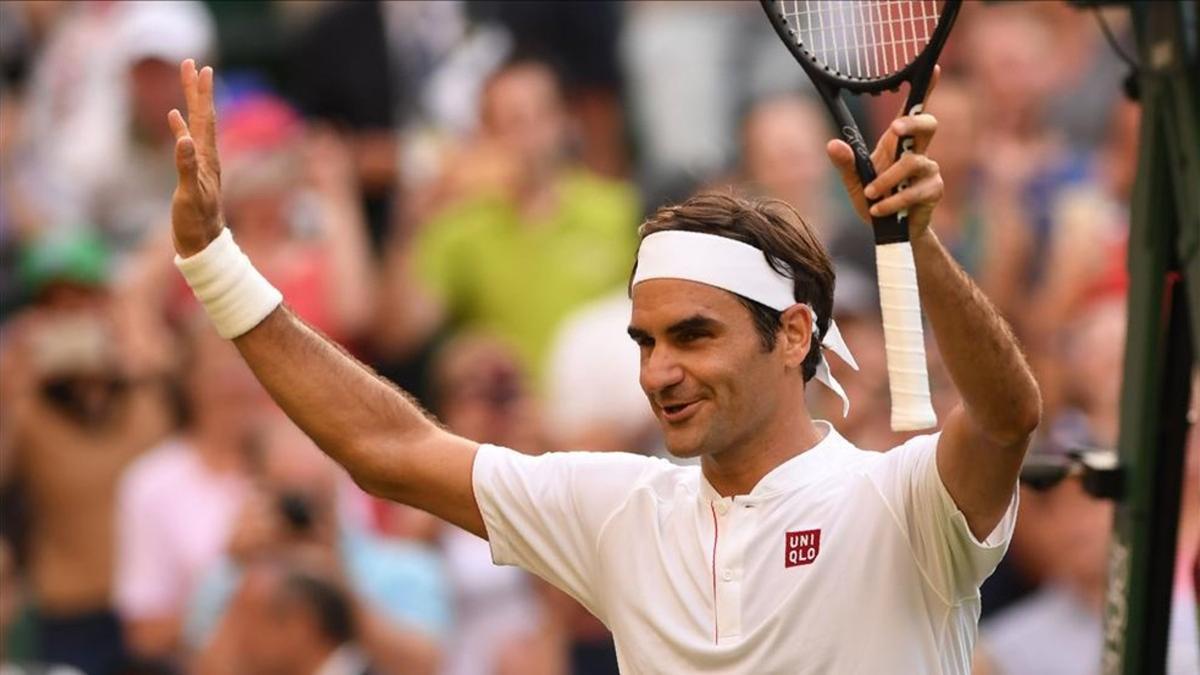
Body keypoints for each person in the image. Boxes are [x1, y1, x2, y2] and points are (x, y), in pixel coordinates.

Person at [166, 59, 1040, 673]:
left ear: (791, 335)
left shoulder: (898, 499)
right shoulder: (622, 509)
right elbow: (385, 446)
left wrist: (918, 247)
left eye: (693, 336)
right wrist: (214, 261)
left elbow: (1008, 416)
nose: (659, 371)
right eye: (645, 342)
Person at [0, 231, 174, 675]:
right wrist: (12, 393)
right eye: (55, 307)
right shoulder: (28, 407)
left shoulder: (146, 387)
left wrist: (138, 343)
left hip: (157, 609)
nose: (70, 318)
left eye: (82, 303)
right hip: (70, 611)